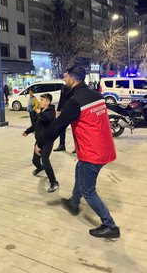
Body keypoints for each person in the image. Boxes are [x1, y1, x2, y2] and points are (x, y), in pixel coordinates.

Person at [36, 66, 120, 238]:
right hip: (103, 146)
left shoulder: (75, 102)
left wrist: (40, 142)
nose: (64, 79)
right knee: (79, 169)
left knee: (88, 190)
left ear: (73, 79)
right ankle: (74, 202)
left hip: (92, 151)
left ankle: (110, 226)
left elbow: (58, 126)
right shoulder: (96, 96)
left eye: (65, 77)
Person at [23, 93, 59, 193]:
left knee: (45, 161)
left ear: (48, 102)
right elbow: (36, 125)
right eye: (40, 99)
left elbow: (47, 119)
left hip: (47, 141)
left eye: (42, 100)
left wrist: (39, 113)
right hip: (39, 141)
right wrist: (27, 131)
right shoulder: (42, 111)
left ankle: (54, 182)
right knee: (35, 160)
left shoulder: (51, 112)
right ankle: (40, 168)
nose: (40, 101)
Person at [53, 83, 72, 152]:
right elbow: (61, 98)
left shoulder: (74, 87)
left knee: (76, 129)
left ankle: (78, 147)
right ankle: (62, 145)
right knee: (61, 127)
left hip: (73, 109)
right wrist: (58, 109)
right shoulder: (63, 87)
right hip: (64, 110)